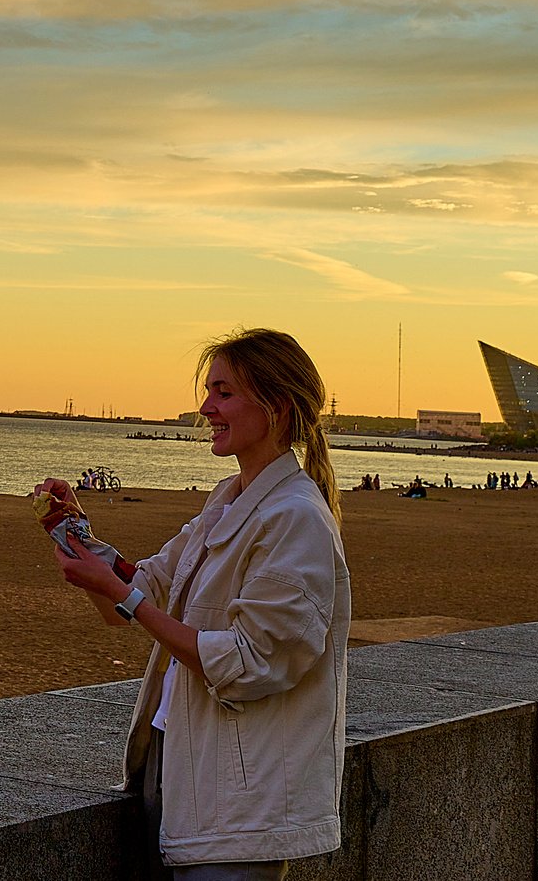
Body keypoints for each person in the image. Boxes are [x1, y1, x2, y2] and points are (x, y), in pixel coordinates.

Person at [45, 327, 350, 878]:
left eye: (224, 393)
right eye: (209, 391)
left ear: (277, 406)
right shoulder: (228, 500)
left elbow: (251, 662)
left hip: (240, 803)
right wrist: (75, 534)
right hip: (178, 764)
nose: (206, 407)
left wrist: (123, 595)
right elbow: (150, 584)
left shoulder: (295, 517)